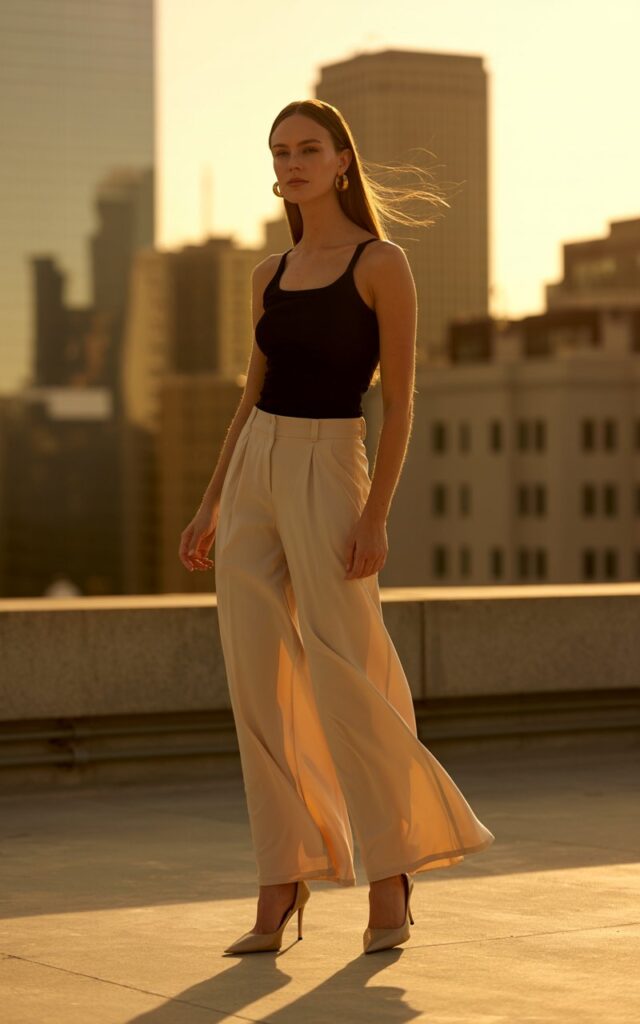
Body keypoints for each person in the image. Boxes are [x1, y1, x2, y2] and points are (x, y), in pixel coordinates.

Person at [179, 99, 495, 956]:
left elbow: (398, 404)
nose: (292, 162)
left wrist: (375, 513)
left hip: (331, 465)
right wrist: (213, 501)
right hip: (255, 475)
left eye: (309, 149)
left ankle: (391, 868)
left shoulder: (380, 263)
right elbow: (251, 396)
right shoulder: (268, 274)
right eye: (280, 151)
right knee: (256, 680)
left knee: (348, 671)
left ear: (343, 161)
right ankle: (281, 879)